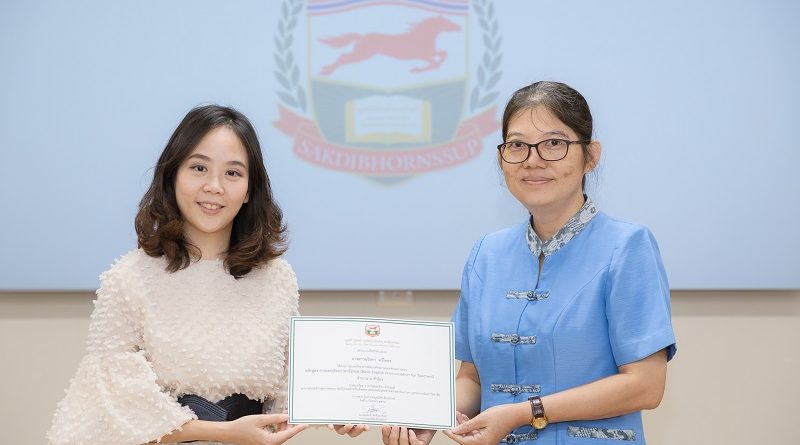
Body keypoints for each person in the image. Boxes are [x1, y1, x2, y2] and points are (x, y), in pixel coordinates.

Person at [384, 81, 676, 445]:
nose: (532, 160)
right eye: (517, 145)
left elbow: (646, 385)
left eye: (553, 143)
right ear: (501, 158)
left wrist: (525, 412)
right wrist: (428, 417)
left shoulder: (627, 246)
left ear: (590, 155)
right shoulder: (487, 254)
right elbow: (472, 378)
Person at [47, 105, 309, 445]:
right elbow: (113, 406)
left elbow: (289, 388)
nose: (214, 186)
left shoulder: (277, 279)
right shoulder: (129, 278)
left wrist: (337, 410)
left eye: (233, 173)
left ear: (249, 190)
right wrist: (224, 433)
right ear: (172, 176)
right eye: (199, 168)